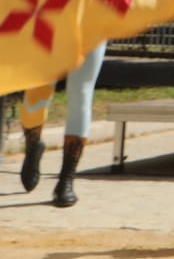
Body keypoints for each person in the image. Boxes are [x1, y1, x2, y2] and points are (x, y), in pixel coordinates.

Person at [17, 43, 107, 208]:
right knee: (36, 91)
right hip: (53, 24)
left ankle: (66, 180)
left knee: (81, 93)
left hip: (92, 27)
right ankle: (33, 144)